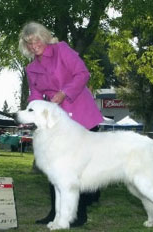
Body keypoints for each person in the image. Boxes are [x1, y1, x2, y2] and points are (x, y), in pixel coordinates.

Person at [18, 21, 104, 227]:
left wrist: (64, 93)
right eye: (29, 43)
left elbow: (82, 74)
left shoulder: (62, 50)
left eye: (36, 39)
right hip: (56, 123)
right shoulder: (31, 68)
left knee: (82, 170)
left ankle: (79, 213)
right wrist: (30, 112)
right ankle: (56, 214)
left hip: (82, 115)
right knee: (55, 167)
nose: (33, 45)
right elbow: (36, 95)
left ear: (44, 37)